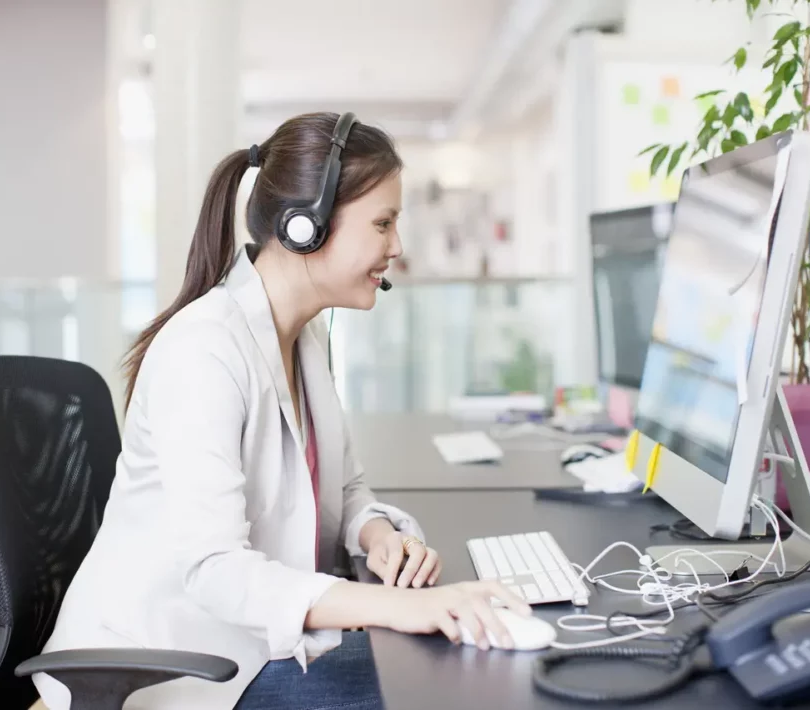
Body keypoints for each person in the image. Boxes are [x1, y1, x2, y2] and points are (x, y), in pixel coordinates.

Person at [33, 112, 530, 710]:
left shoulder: (304, 337)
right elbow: (216, 570)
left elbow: (345, 488)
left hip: (249, 644)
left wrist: (376, 535)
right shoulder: (204, 350)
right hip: (181, 666)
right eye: (383, 223)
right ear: (305, 228)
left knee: (460, 662)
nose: (396, 247)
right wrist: (403, 608)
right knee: (452, 684)